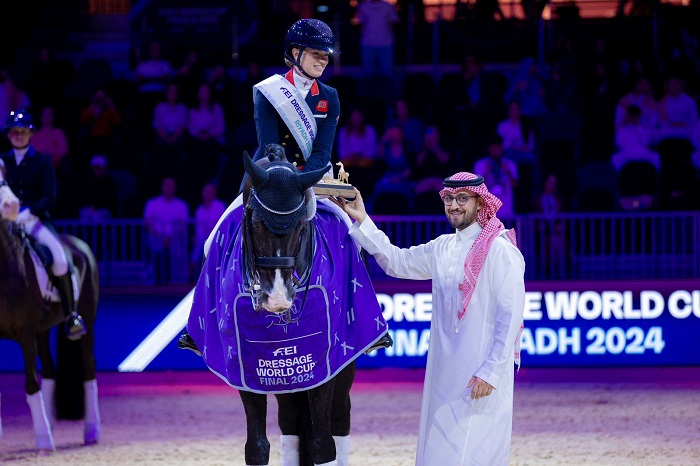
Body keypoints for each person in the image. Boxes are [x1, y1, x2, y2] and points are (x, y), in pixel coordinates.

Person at [330, 171, 525, 465]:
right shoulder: (442, 247)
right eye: (449, 199)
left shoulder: (500, 250)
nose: (454, 205)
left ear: (480, 202)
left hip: (481, 373)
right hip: (443, 373)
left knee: (476, 452)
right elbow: (396, 262)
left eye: (462, 199)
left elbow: (510, 316)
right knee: (440, 450)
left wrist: (492, 371)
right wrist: (362, 218)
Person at [0, 109, 86, 340]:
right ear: (8, 135)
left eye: (23, 131)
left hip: (33, 220)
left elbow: (49, 196)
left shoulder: (42, 161)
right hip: (5, 223)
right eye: (14, 132)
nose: (18, 135)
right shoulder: (2, 162)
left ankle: (71, 315)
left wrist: (29, 211)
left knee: (60, 258)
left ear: (31, 134)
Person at [251, 18, 340, 174]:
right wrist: (289, 179)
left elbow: (323, 150)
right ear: (296, 53)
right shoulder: (269, 91)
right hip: (274, 171)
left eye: (326, 55)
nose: (323, 61)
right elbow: (269, 148)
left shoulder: (330, 96)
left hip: (312, 173)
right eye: (316, 53)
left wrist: (303, 179)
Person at [143, 177, 189, 285]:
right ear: (162, 187)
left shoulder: (181, 205)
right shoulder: (152, 203)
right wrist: (159, 236)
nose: (168, 188)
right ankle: (154, 277)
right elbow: (148, 222)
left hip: (175, 238)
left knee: (172, 249)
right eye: (166, 185)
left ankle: (170, 280)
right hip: (155, 237)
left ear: (174, 188)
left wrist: (169, 237)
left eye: (171, 186)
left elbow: (182, 225)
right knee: (155, 246)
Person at [356, 0, 399, 79]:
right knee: (367, 73)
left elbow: (393, 21)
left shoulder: (387, 6)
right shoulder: (364, 6)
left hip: (386, 42)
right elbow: (360, 22)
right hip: (367, 42)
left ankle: (387, 87)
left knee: (388, 72)